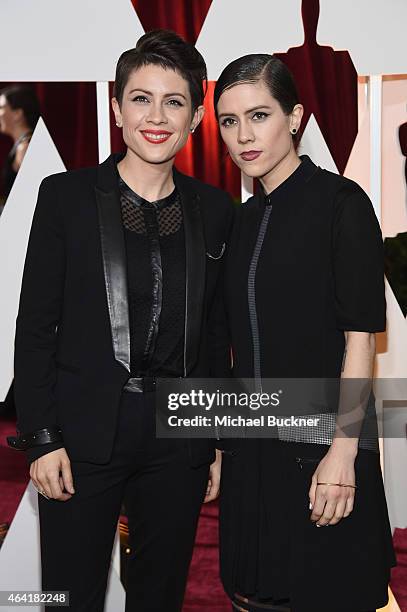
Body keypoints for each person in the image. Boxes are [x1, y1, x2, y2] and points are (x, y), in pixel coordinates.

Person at [7, 30, 234, 612]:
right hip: (81, 436)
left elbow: (212, 334)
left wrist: (211, 442)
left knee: (159, 595)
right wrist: (41, 438)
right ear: (116, 107)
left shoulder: (214, 209)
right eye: (141, 98)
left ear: (197, 115)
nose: (155, 117)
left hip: (177, 436)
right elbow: (35, 324)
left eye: (174, 101)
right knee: (69, 593)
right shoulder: (66, 197)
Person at [213, 54, 396, 612]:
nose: (243, 135)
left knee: (330, 594)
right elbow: (233, 349)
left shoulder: (343, 205)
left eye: (259, 115)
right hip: (253, 453)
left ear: (294, 117)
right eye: (228, 120)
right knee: (256, 596)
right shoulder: (238, 222)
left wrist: (343, 451)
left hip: (323, 449)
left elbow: (360, 340)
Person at [0, 85, 40, 205]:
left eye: (1, 108)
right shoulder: (23, 145)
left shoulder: (25, 148)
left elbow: (30, 195)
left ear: (17, 113)